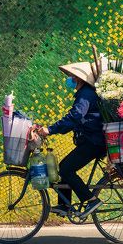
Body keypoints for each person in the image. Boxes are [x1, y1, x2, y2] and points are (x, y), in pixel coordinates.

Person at [32, 62, 106, 218]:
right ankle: (65, 205)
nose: (70, 78)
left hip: (94, 141)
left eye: (72, 76)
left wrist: (50, 129)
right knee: (64, 167)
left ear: (79, 78)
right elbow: (74, 121)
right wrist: (53, 130)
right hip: (91, 139)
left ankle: (91, 200)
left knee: (66, 169)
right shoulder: (85, 93)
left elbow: (75, 117)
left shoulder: (86, 94)